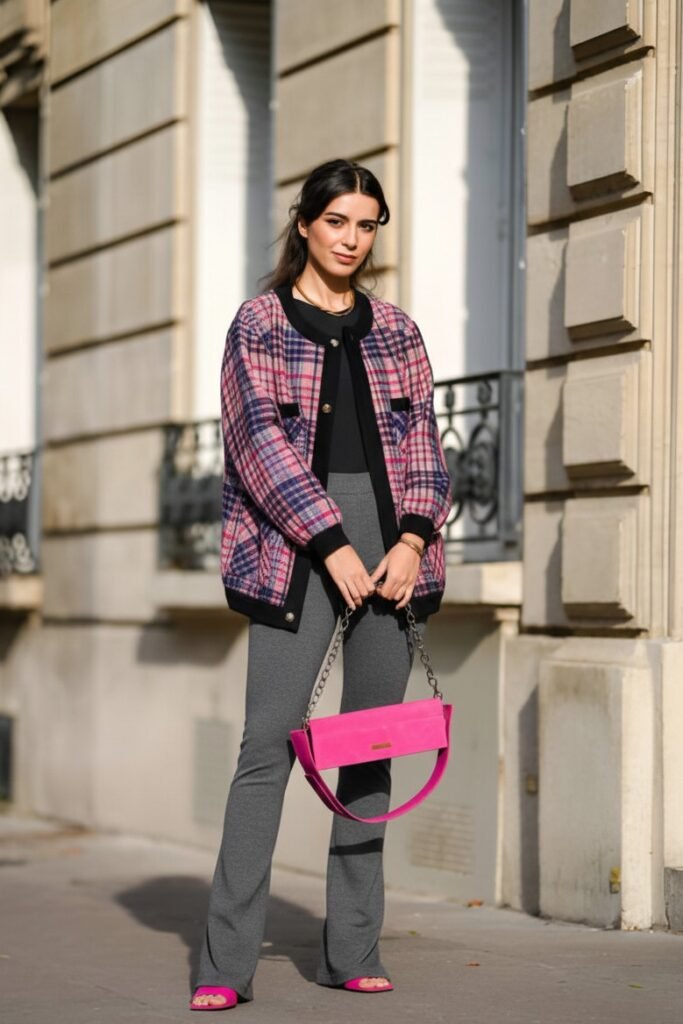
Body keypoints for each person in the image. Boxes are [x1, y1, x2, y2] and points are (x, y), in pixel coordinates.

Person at [190, 158, 452, 1011]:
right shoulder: (258, 324)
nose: (351, 238)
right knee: (266, 744)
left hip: (392, 548)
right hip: (294, 546)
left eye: (366, 224)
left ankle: (353, 948)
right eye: (337, 220)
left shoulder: (398, 333)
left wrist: (411, 537)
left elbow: (425, 448)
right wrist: (331, 541)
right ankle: (225, 965)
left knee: (367, 746)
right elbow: (255, 444)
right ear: (305, 223)